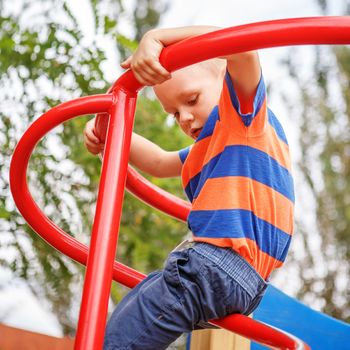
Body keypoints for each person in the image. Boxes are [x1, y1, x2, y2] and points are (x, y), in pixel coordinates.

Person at [84, 26, 294, 350]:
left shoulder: (240, 117)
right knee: (141, 301)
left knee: (123, 334)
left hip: (218, 266)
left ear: (225, 77)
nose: (183, 117)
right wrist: (112, 131)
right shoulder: (210, 147)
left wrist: (157, 37)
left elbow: (243, 49)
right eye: (173, 114)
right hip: (242, 281)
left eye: (191, 100)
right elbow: (157, 161)